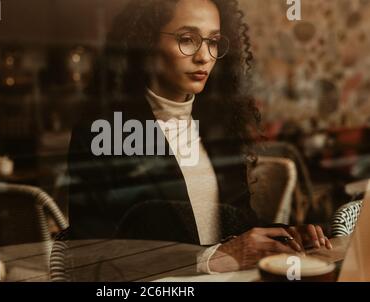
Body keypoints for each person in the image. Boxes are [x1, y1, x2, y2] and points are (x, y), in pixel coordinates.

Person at [61, 0, 332, 273]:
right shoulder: (103, 132)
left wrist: (285, 237)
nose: (204, 56)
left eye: (213, 42)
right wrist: (206, 260)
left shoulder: (219, 125)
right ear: (146, 42)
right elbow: (93, 257)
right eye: (187, 39)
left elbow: (236, 225)